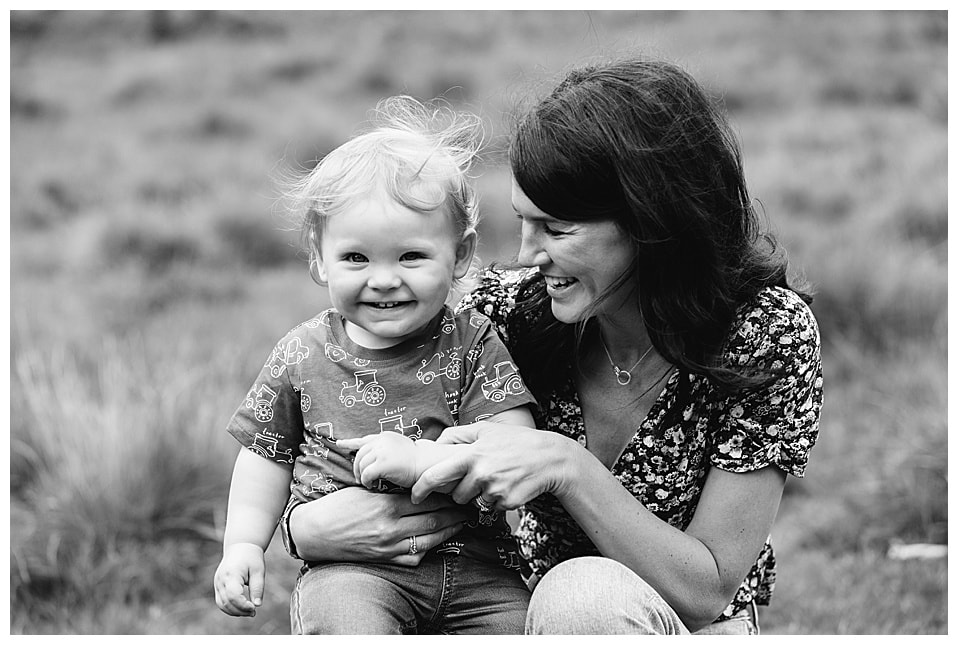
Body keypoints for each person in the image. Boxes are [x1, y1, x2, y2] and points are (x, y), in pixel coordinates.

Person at [285, 56, 825, 635]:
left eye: (557, 229)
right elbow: (377, 432)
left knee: (580, 592)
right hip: (520, 616)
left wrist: (566, 466)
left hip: (683, 625)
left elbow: (707, 589)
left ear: (653, 221)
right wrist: (302, 530)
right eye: (523, 221)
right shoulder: (508, 315)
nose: (527, 254)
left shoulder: (763, 336)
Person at [212, 96, 537, 634]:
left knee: (527, 627)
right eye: (356, 258)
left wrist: (421, 461)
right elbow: (263, 457)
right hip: (352, 570)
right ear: (319, 257)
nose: (383, 279)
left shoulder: (473, 342)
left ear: (459, 255)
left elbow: (512, 444)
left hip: (481, 570)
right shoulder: (302, 353)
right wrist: (244, 543)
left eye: (411, 256)